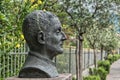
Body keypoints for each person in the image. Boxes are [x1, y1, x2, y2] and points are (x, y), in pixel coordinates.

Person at [18, 10, 67, 78]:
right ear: (41, 38)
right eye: (58, 31)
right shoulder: (34, 69)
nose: (65, 37)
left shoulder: (47, 67)